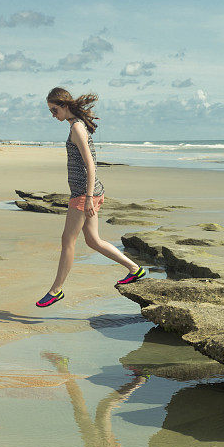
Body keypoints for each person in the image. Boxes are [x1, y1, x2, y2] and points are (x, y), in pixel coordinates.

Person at [37, 87, 146, 308]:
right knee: (93, 240)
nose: (53, 115)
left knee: (67, 241)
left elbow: (91, 164)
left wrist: (88, 197)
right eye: (50, 111)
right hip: (89, 192)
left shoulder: (77, 127)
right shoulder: (76, 125)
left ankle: (56, 290)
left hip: (84, 194)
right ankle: (135, 269)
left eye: (54, 110)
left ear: (65, 106)